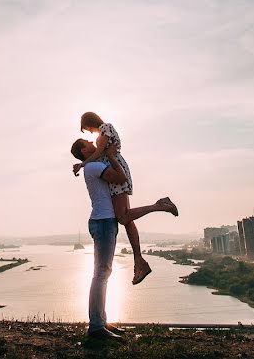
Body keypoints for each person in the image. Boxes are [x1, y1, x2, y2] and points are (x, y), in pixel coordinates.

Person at [72, 111, 179, 286]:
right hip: (115, 169)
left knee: (123, 217)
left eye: (88, 130)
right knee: (127, 220)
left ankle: (160, 205)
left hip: (117, 170)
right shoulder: (103, 132)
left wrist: (83, 163)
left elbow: (100, 152)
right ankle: (139, 262)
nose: (91, 134)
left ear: (90, 123)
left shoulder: (105, 128)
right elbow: (101, 153)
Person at [69, 138, 125, 341]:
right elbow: (120, 178)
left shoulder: (91, 164)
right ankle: (96, 327)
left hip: (104, 220)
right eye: (88, 142)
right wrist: (111, 156)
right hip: (103, 221)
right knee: (101, 274)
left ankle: (101, 321)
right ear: (84, 150)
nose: (94, 142)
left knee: (103, 273)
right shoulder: (93, 166)